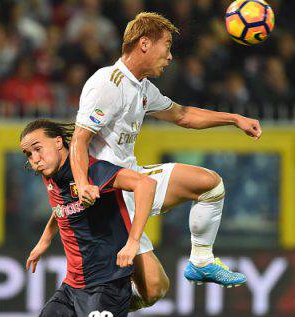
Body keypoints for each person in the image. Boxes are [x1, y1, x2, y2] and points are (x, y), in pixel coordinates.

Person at [71, 12, 262, 308]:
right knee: (156, 289)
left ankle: (201, 260)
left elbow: (183, 115)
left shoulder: (143, 88)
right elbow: (79, 140)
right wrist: (82, 182)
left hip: (134, 179)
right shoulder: (108, 83)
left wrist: (234, 118)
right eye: (167, 46)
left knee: (210, 184)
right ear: (144, 44)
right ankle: (103, 309)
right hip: (110, 197)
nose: (170, 56)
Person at [20, 119, 157, 317]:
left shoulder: (91, 171)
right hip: (72, 287)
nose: (35, 159)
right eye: (29, 154)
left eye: (38, 149)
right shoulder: (51, 175)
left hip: (106, 285)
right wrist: (45, 239)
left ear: (58, 142)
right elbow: (62, 206)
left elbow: (146, 184)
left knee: (155, 289)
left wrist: (133, 241)